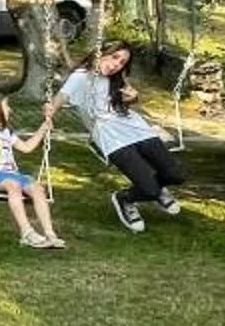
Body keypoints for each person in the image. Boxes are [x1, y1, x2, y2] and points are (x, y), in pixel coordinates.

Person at [52, 40, 183, 234]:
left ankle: (156, 189)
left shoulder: (115, 78)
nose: (116, 65)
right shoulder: (82, 77)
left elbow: (120, 104)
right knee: (148, 189)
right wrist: (50, 111)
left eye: (122, 63)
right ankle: (126, 199)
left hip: (136, 128)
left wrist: (133, 99)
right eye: (115, 57)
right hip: (111, 138)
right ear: (102, 52)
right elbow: (61, 97)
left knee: (175, 174)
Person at [0, 93, 62, 249]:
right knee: (13, 185)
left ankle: (50, 233)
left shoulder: (6, 133)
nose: (10, 110)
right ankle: (27, 232)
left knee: (37, 188)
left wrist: (43, 129)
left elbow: (27, 148)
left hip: (11, 174)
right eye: (7, 106)